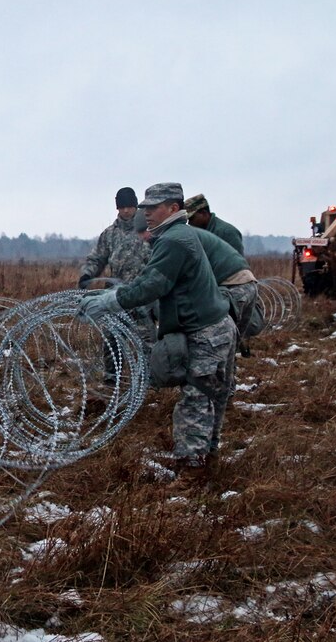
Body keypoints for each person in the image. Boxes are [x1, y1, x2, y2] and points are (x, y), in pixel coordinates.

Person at [80, 183, 236, 471]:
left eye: (153, 208)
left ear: (173, 209)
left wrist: (111, 302)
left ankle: (192, 468)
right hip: (213, 327)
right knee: (211, 397)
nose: (146, 213)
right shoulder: (176, 235)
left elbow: (154, 283)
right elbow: (149, 278)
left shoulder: (173, 240)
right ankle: (206, 458)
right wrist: (111, 294)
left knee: (196, 399)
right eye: (145, 208)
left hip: (205, 332)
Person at [135, 209, 259, 357]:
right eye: (139, 232)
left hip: (233, 286)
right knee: (224, 348)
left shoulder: (172, 239)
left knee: (212, 347)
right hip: (243, 283)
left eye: (145, 231)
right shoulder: (178, 234)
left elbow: (161, 282)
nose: (143, 237)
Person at [77, 187, 150, 288]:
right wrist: (86, 275)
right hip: (115, 292)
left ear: (135, 206)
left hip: (145, 290)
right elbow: (96, 259)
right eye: (122, 207)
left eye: (129, 207)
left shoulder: (148, 230)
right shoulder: (109, 234)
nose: (126, 210)